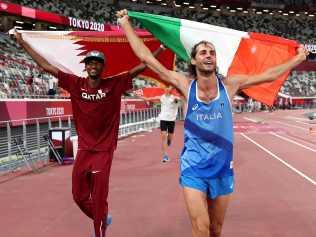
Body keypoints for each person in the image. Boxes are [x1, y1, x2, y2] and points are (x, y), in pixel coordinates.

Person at [116, 9, 308, 237]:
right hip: (193, 167)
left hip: (222, 168)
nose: (208, 55)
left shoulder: (230, 85)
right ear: (194, 59)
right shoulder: (186, 86)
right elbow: (147, 58)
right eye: (203, 52)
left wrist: (297, 59)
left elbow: (267, 75)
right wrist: (125, 24)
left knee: (216, 230)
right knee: (201, 229)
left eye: (212, 53)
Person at [13, 30, 164, 237]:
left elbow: (142, 66)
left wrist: (161, 49)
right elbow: (45, 66)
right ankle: (101, 216)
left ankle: (99, 229)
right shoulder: (75, 83)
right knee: (78, 196)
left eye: (98, 62)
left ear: (103, 67)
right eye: (90, 62)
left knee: (99, 197)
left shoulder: (114, 84)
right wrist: (22, 43)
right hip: (84, 150)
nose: (93, 65)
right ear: (85, 66)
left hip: (104, 151)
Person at [144, 85, 180, 162]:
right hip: (163, 119)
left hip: (171, 120)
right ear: (164, 89)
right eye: (166, 87)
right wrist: (145, 98)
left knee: (169, 139)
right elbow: (152, 98)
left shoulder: (174, 98)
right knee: (163, 136)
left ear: (172, 89)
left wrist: (176, 100)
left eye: (169, 87)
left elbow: (177, 101)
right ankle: (165, 155)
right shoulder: (161, 97)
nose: (167, 88)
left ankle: (169, 140)